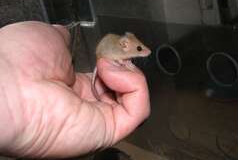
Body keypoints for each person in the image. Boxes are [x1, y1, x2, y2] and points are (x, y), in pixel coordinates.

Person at [0, 21, 150, 159]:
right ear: (124, 45)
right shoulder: (117, 50)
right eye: (139, 49)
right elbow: (112, 55)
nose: (145, 51)